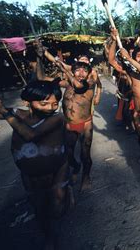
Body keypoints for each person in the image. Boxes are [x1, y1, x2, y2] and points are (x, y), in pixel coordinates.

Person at [0, 80, 69, 249]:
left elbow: (30, 135)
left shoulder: (57, 118)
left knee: (57, 203)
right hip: (30, 174)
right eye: (44, 103)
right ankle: (48, 233)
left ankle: (53, 235)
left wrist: (5, 113)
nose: (51, 108)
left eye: (55, 103)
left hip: (58, 167)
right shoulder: (17, 114)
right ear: (27, 103)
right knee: (39, 206)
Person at [35, 43, 99, 191]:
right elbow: (41, 77)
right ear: (73, 71)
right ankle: (76, 168)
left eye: (84, 70)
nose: (81, 73)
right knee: (68, 153)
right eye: (78, 70)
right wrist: (39, 57)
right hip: (69, 124)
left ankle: (86, 177)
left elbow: (79, 87)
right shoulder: (67, 84)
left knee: (85, 155)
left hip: (85, 125)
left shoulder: (90, 83)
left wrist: (66, 69)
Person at [108, 30, 140, 175]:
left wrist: (129, 59)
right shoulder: (130, 74)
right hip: (138, 113)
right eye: (138, 56)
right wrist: (113, 40)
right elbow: (112, 61)